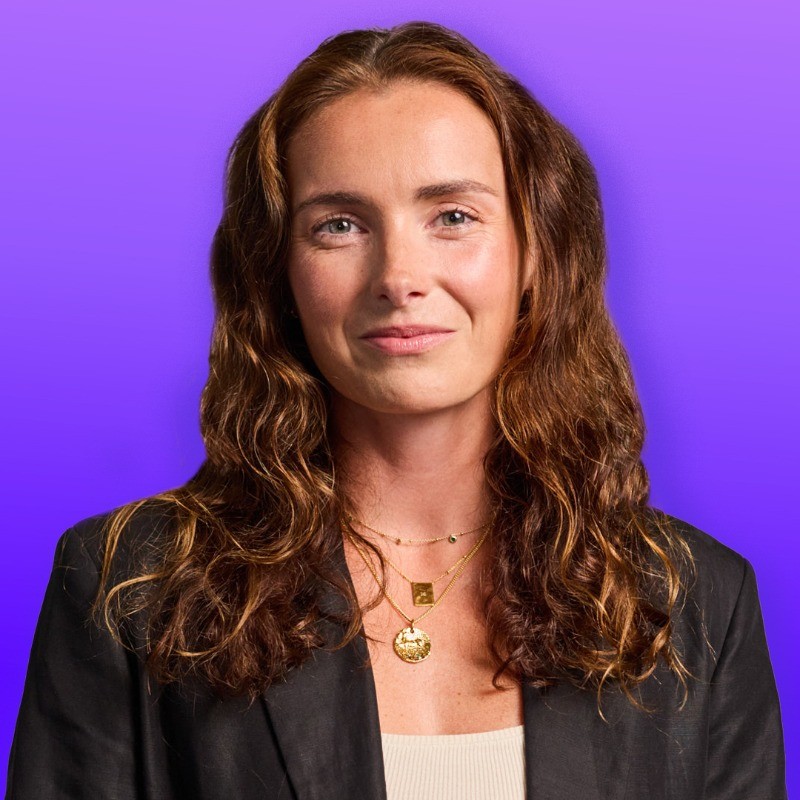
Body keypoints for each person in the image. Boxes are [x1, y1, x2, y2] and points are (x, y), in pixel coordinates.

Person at [7, 21, 786, 800]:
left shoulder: (697, 604)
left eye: (453, 216)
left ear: (536, 253)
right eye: (339, 225)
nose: (399, 276)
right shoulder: (132, 586)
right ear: (278, 273)